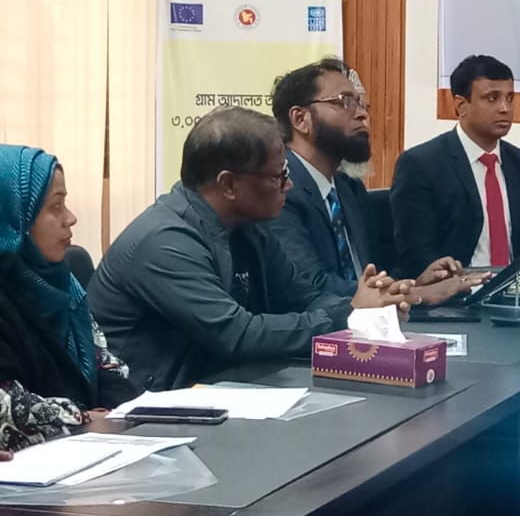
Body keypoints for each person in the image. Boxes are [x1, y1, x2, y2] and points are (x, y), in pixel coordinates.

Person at [90, 107, 411, 391]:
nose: (289, 185)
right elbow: (236, 334)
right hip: (144, 409)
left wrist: (370, 306)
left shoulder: (247, 228)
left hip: (217, 388)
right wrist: (350, 314)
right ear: (229, 184)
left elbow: (302, 297)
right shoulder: (165, 241)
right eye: (278, 176)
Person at [264, 59, 487, 303]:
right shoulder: (278, 188)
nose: (363, 115)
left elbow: (373, 276)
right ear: (300, 119)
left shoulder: (349, 188)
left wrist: (415, 282)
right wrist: (416, 294)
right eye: (345, 102)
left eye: (362, 105)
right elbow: (310, 286)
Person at [0, 145, 138, 452]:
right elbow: (5, 409)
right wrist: (82, 418)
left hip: (93, 452)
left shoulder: (64, 284)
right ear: (14, 219)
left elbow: (106, 368)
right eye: (55, 206)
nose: (70, 218)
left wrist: (126, 414)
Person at [391, 54, 520, 278]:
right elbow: (417, 256)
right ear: (461, 106)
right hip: (454, 291)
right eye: (492, 98)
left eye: (510, 98)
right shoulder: (421, 165)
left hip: (514, 288)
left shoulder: (518, 162)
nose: (505, 108)